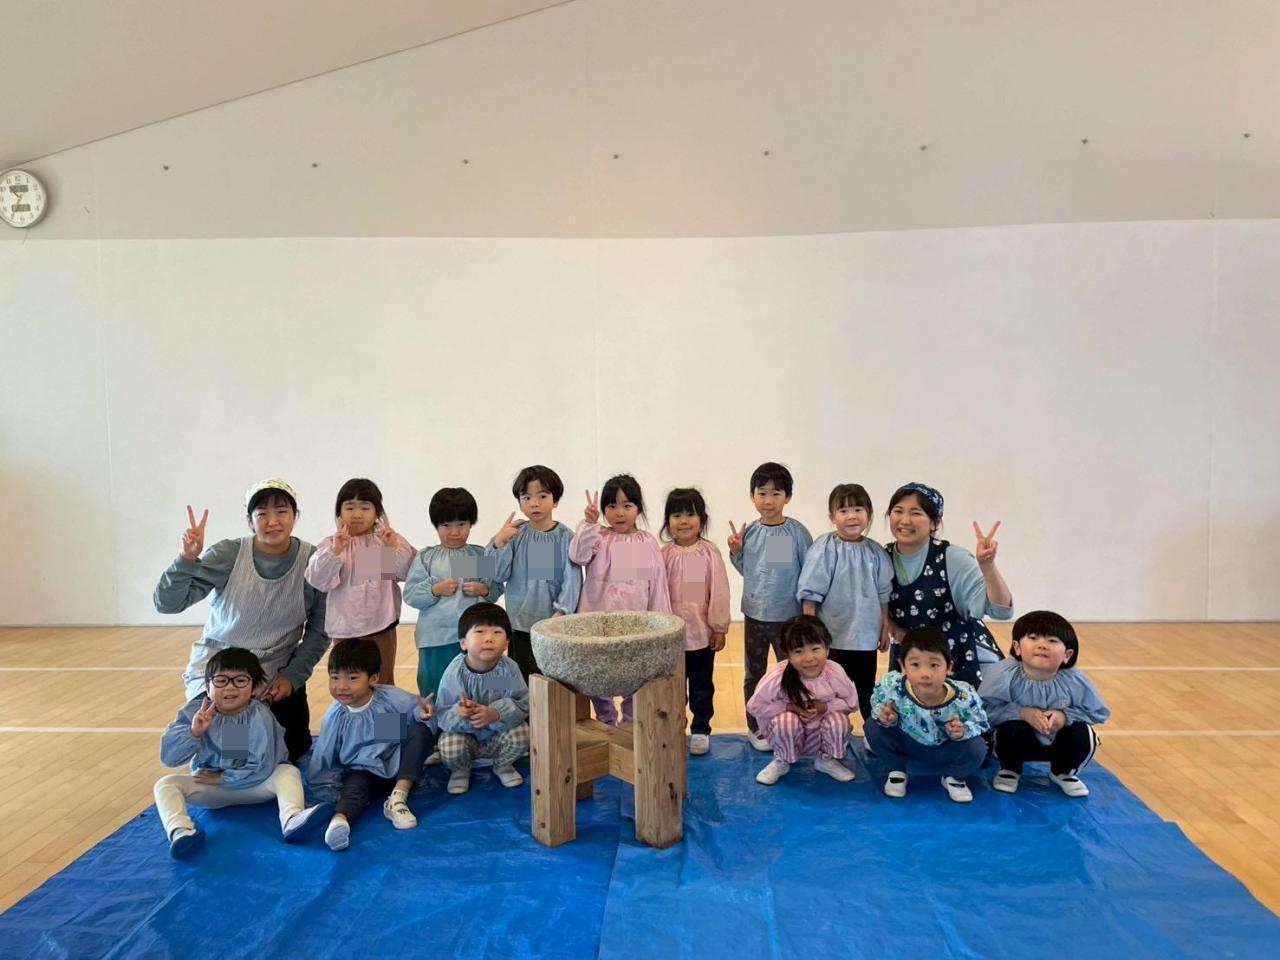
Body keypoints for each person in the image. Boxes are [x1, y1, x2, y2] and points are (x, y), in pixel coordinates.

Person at [154, 479, 328, 761]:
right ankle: (221, 763)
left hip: (274, 669)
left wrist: (292, 676)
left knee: (293, 749)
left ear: (295, 516)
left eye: (281, 511)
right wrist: (186, 560)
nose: (272, 521)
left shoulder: (314, 561)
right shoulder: (229, 554)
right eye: (262, 513)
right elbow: (168, 603)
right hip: (222, 666)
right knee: (233, 751)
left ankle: (232, 761)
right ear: (250, 520)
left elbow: (320, 630)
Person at [154, 648, 331, 858]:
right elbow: (170, 758)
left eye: (240, 680)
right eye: (221, 680)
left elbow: (262, 765)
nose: (230, 687)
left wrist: (223, 778)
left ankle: (292, 818)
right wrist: (194, 733)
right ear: (207, 686)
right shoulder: (195, 712)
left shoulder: (259, 715)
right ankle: (181, 832)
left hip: (255, 786)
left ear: (254, 688)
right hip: (213, 789)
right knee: (165, 784)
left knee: (287, 772)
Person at [307, 639, 437, 851]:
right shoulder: (335, 717)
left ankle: (398, 798)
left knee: (418, 730)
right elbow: (325, 759)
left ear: (373, 678)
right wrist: (330, 791)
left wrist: (422, 714)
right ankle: (339, 822)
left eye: (352, 678)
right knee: (354, 790)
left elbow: (414, 712)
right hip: (362, 770)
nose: (342, 686)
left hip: (397, 765)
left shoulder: (388, 699)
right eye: (335, 678)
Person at [884, 482, 1012, 687]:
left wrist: (988, 567)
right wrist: (896, 631)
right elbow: (875, 606)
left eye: (916, 513)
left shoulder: (953, 559)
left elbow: (1001, 611)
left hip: (958, 660)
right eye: (898, 511)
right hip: (911, 661)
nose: (905, 520)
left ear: (933, 523)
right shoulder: (881, 558)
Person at [569, 475, 672, 724]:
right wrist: (589, 523)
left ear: (638, 508)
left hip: (636, 625)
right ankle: (606, 718)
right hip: (598, 624)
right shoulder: (599, 537)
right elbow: (577, 556)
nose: (619, 513)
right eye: (612, 506)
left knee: (634, 675)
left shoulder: (646, 542)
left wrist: (662, 623)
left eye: (627, 506)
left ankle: (629, 722)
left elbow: (657, 585)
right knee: (597, 673)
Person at [728, 462, 813, 750]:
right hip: (754, 615)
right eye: (761, 493)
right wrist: (736, 552)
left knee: (791, 672)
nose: (768, 500)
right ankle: (756, 726)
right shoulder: (751, 531)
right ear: (752, 496)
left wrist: (808, 614)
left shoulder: (796, 533)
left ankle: (793, 723)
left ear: (787, 497)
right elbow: (749, 571)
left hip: (787, 618)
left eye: (776, 494)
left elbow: (808, 573)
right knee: (754, 673)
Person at [979, 610, 1110, 797]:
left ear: (1067, 655)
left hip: (1058, 741)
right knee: (1008, 730)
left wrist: (1064, 717)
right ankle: (1010, 768)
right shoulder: (1003, 675)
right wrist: (1021, 713)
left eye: (1052, 641)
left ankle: (1063, 772)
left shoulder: (1075, 680)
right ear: (1017, 647)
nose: (1042, 645)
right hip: (1020, 740)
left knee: (1084, 734)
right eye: (1033, 638)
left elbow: (1097, 712)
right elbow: (983, 711)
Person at [305, 478, 415, 687]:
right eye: (350, 507)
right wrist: (335, 551)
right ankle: (352, 711)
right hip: (345, 629)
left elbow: (406, 572)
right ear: (339, 513)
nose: (357, 514)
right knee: (348, 683)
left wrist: (392, 547)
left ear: (377, 513)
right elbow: (318, 580)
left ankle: (386, 711)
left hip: (381, 626)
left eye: (365, 508)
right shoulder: (331, 544)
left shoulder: (384, 542)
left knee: (383, 682)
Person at [797, 482, 892, 719]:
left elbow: (883, 593)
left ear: (869, 514)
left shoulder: (876, 552)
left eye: (858, 509)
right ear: (832, 517)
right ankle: (831, 730)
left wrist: (884, 627)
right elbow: (810, 593)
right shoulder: (825, 548)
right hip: (833, 636)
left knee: (866, 688)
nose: (851, 516)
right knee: (830, 691)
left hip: (865, 638)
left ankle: (871, 730)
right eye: (843, 510)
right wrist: (811, 632)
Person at [865, 626, 990, 802]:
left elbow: (981, 723)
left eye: (934, 665)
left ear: (949, 667)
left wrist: (963, 730)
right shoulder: (892, 686)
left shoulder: (964, 696)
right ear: (903, 666)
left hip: (945, 749)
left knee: (977, 747)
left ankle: (954, 777)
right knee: (872, 727)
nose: (925, 674)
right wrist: (885, 717)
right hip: (907, 744)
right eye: (915, 664)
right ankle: (897, 769)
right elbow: (877, 704)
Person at [403, 487, 502, 699]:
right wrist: (434, 590)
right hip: (435, 639)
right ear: (436, 525)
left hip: (472, 638)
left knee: (473, 687)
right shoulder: (427, 557)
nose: (454, 532)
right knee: (434, 688)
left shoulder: (477, 555)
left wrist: (483, 589)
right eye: (446, 525)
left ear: (471, 524)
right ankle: (434, 720)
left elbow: (495, 589)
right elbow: (411, 594)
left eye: (461, 524)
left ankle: (473, 717)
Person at [485, 465, 582, 680]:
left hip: (553, 626)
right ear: (519, 502)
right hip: (520, 625)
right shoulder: (515, 534)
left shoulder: (565, 537)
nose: (534, 503)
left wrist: (562, 611)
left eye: (542, 496)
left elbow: (572, 580)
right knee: (523, 680)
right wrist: (499, 543)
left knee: (554, 681)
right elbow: (497, 574)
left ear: (555, 500)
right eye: (526, 497)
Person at [746, 615, 857, 785]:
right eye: (798, 651)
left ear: (827, 649)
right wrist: (789, 707)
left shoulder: (834, 672)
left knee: (839, 721)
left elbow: (851, 703)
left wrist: (823, 707)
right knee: (786, 722)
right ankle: (782, 760)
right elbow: (754, 706)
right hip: (787, 736)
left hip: (819, 736)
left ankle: (826, 759)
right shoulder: (777, 677)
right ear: (788, 655)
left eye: (815, 649)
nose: (809, 658)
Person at [660, 487, 731, 755]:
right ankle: (675, 725)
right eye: (676, 515)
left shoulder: (709, 553)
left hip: (701, 636)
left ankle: (701, 729)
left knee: (702, 687)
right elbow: (655, 592)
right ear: (668, 521)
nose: (684, 521)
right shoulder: (663, 555)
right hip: (671, 639)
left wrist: (719, 627)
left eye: (690, 514)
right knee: (673, 688)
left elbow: (719, 591)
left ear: (702, 519)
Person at [435, 603, 531, 795]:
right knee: (448, 744)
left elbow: (523, 703)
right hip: (466, 738)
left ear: (506, 643)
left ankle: (502, 765)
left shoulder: (508, 669)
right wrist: (459, 713)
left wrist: (496, 714)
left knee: (524, 733)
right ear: (463, 643)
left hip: (498, 737)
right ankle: (460, 770)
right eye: (479, 631)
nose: (488, 638)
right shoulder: (455, 672)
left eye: (497, 632)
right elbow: (442, 713)